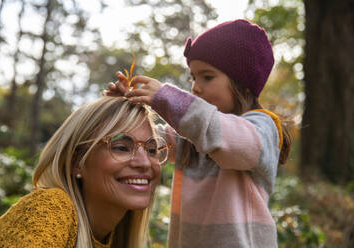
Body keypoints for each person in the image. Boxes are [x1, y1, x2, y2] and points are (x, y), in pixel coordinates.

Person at [108, 19, 291, 248]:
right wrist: (124, 112)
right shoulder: (193, 134)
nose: (195, 87)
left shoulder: (261, 128)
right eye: (193, 77)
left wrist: (168, 99)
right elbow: (151, 143)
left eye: (207, 76)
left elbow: (222, 136)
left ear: (242, 83)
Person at [0, 96, 169, 248]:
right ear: (76, 161)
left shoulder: (114, 237)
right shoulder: (51, 207)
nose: (145, 162)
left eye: (152, 150)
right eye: (121, 147)